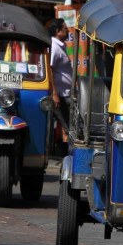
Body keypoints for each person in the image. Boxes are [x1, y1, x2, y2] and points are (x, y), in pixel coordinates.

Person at [49, 18, 72, 151]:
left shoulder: (60, 46)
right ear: (58, 31)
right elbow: (49, 68)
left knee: (70, 126)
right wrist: (55, 93)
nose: (68, 30)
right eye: (65, 28)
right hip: (60, 95)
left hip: (66, 93)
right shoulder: (54, 47)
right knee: (69, 127)